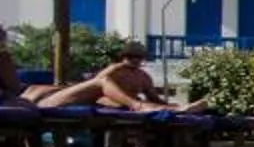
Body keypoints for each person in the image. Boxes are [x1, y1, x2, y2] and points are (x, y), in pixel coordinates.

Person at [33, 43, 173, 110]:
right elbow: (96, 86)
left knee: (125, 106)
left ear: (142, 58)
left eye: (138, 57)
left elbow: (154, 97)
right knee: (116, 101)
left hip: (122, 106)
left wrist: (169, 105)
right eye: (130, 57)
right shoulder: (113, 71)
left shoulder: (144, 77)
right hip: (98, 102)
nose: (133, 60)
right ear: (123, 57)